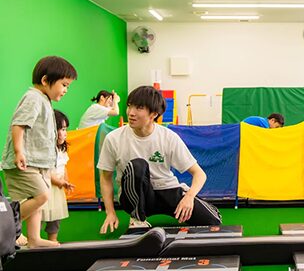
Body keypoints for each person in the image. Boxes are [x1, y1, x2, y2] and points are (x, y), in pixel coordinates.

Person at [97, 86, 222, 233]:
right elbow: (105, 178)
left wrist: (189, 197)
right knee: (138, 165)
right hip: (133, 197)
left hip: (166, 190)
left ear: (154, 114)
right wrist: (110, 212)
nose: (131, 112)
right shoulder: (113, 139)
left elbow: (199, 174)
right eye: (129, 106)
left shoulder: (168, 137)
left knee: (213, 221)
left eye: (139, 108)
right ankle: (137, 218)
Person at [1, 56, 77, 247]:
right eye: (64, 85)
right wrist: (19, 151)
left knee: (38, 200)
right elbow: (19, 124)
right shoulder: (34, 98)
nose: (66, 90)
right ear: (45, 80)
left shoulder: (44, 100)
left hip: (38, 164)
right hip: (24, 162)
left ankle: (34, 238)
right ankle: (8, 225)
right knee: (42, 196)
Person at [41, 110, 75, 242]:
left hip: (57, 190)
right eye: (62, 129)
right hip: (46, 187)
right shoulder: (47, 150)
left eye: (66, 129)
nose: (65, 133)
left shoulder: (61, 149)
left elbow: (63, 166)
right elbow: (47, 171)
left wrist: (66, 180)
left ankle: (53, 239)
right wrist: (60, 182)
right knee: (40, 214)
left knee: (55, 217)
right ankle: (34, 237)